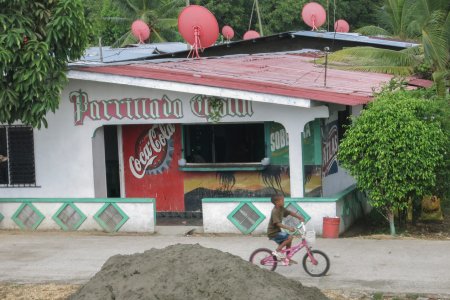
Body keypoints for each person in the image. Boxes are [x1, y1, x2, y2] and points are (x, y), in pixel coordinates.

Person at [267, 194, 304, 262]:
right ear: (277, 202)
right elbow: (277, 223)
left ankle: (288, 258)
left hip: (277, 232)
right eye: (282, 200)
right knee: (289, 237)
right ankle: (277, 251)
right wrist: (289, 228)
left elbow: (289, 212)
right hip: (273, 233)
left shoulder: (281, 208)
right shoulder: (275, 211)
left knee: (289, 242)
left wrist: (299, 217)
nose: (284, 202)